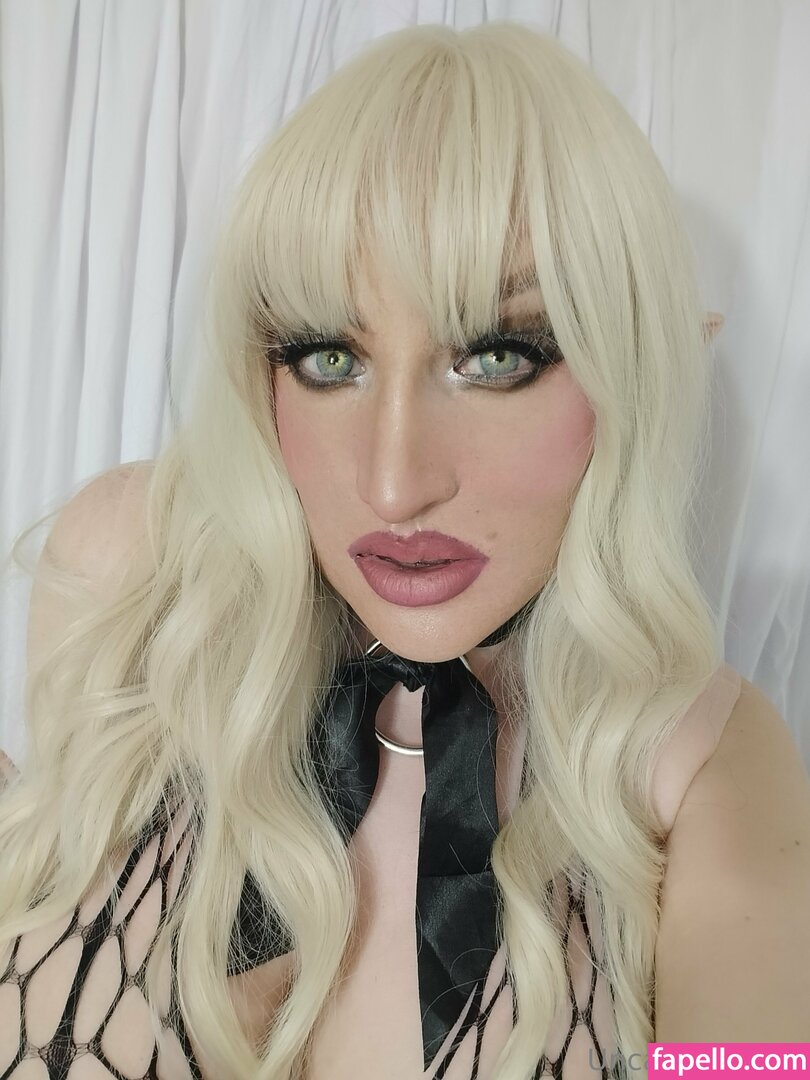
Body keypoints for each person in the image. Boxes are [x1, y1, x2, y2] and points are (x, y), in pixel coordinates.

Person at [1, 20, 809, 1080]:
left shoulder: (695, 759)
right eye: (328, 358)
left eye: (499, 357)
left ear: (636, 372)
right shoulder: (132, 578)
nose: (395, 484)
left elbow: (756, 1059)